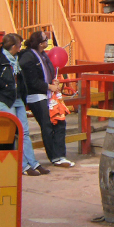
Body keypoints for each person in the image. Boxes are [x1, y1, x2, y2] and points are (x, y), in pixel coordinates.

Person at [0, 33, 49, 176]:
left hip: (17, 98)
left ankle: (33, 162)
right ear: (13, 47)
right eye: (19, 46)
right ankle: (22, 165)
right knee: (14, 131)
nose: (20, 49)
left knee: (24, 132)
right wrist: (3, 84)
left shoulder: (16, 59)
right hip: (3, 99)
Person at [19, 31, 75, 169]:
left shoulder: (44, 55)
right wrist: (49, 86)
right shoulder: (27, 57)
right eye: (45, 39)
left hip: (49, 94)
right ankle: (54, 156)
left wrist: (54, 82)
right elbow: (31, 80)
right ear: (40, 43)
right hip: (36, 96)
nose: (47, 41)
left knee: (60, 122)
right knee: (47, 124)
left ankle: (61, 155)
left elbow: (50, 71)